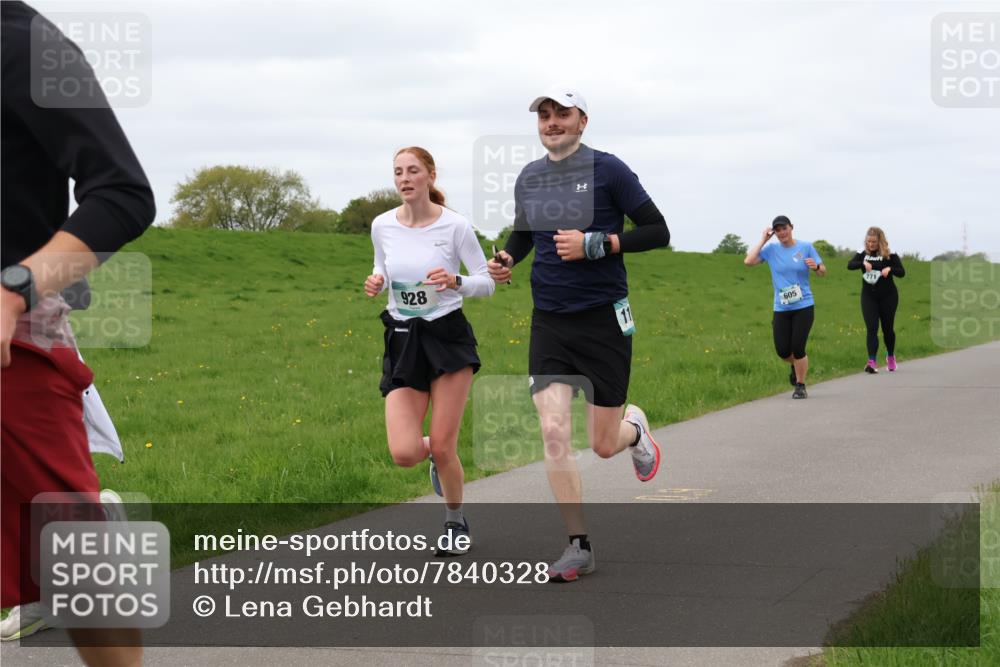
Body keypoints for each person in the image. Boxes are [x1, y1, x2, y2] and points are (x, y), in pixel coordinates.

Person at [2, 2, 155, 663]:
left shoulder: (28, 45)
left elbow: (122, 191)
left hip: (14, 351)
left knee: (83, 578)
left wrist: (15, 286)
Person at [487, 87, 670, 582]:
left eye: (561, 114)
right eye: (544, 116)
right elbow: (525, 233)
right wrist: (506, 258)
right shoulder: (531, 176)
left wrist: (600, 243)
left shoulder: (609, 170)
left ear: (582, 120)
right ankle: (578, 545)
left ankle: (635, 430)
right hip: (550, 318)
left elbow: (658, 231)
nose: (551, 122)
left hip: (603, 319)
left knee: (604, 444)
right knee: (552, 430)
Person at [365, 147, 494, 556]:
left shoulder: (455, 227)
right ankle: (438, 457)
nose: (404, 179)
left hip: (447, 339)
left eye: (413, 171)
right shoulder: (382, 225)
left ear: (430, 176)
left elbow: (485, 281)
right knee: (404, 453)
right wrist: (376, 280)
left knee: (442, 444)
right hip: (403, 337)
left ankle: (455, 522)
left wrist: (456, 280)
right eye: (398, 172)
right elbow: (383, 268)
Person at [744, 215, 826, 399]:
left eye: (784, 228)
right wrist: (764, 240)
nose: (782, 233)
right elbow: (748, 261)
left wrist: (816, 267)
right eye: (778, 230)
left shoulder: (805, 247)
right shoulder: (771, 250)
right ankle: (795, 366)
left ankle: (800, 385)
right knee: (782, 350)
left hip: (804, 305)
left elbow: (823, 272)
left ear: (791, 228)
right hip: (781, 307)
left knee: (798, 347)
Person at [847, 227, 905, 372]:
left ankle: (890, 356)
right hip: (869, 297)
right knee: (872, 329)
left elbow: (902, 272)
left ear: (880, 240)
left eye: (873, 242)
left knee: (887, 329)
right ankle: (872, 361)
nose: (871, 244)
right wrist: (862, 264)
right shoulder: (862, 252)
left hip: (888, 296)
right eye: (868, 241)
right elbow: (850, 265)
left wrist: (889, 269)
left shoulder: (889, 253)